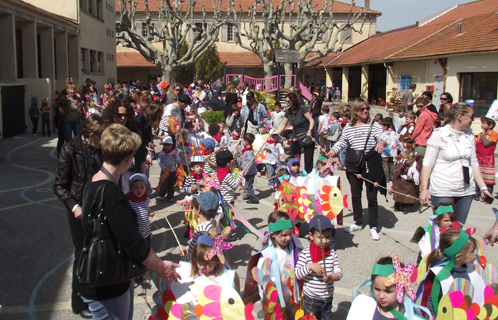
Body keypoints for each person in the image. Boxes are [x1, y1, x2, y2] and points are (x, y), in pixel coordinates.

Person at [79, 124, 180, 319]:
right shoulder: (111, 194)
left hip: (101, 275)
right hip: (108, 281)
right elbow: (133, 243)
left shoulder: (94, 182)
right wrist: (161, 267)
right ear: (127, 158)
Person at [54, 114, 105, 318]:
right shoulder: (69, 150)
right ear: (91, 135)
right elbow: (59, 186)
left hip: (96, 207)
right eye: (101, 137)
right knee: (82, 254)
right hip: (78, 210)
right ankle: (79, 301)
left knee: (98, 252)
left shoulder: (98, 149)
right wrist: (74, 206)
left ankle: (95, 293)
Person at [419, 103, 492, 224]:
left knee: (457, 232)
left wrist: (483, 187)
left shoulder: (469, 135)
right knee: (445, 232)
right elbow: (427, 164)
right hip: (443, 190)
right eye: (471, 116)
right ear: (460, 116)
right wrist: (424, 188)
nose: (473, 120)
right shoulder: (439, 135)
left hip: (466, 191)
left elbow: (474, 163)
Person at [328, 98, 387, 241]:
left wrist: (381, 143)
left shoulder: (374, 125)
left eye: (367, 109)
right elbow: (342, 141)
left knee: (372, 196)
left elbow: (383, 138)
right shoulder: (349, 127)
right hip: (355, 164)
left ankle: (373, 226)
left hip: (370, 163)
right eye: (362, 109)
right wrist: (333, 151)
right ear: (355, 111)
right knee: (355, 195)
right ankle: (358, 222)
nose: (365, 111)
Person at [421, 229, 483, 316]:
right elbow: (433, 304)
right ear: (458, 257)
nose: (476, 253)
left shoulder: (472, 269)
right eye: (472, 251)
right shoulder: (442, 277)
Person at [346, 255, 427, 320]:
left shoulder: (409, 317)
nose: (381, 296)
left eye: (388, 291)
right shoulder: (363, 308)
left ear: (402, 290)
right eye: (377, 289)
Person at [295, 215, 342, 320]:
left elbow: (339, 273)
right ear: (311, 236)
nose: (325, 241)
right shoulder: (306, 254)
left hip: (327, 298)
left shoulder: (332, 253)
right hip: (311, 300)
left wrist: (332, 277)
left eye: (328, 237)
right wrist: (309, 266)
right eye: (320, 237)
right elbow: (297, 274)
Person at [256, 211, 301, 317]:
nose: (289, 238)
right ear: (273, 234)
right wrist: (279, 281)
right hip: (275, 299)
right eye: (284, 235)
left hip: (290, 295)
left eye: (290, 234)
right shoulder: (266, 254)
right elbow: (262, 279)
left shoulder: (293, 248)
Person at [277, 93, 315, 173]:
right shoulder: (288, 111)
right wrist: (275, 134)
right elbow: (283, 125)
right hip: (296, 137)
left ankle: (308, 176)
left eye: (288, 101)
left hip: (307, 135)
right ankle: (295, 175)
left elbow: (311, 120)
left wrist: (310, 130)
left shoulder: (302, 108)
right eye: (286, 101)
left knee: (308, 160)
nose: (286, 103)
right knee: (294, 159)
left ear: (293, 101)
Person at [127, 173, 155, 285]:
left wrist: (149, 211)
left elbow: (146, 208)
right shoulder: (129, 201)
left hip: (146, 232)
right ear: (131, 188)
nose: (139, 190)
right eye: (136, 188)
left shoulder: (145, 198)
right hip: (135, 234)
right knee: (134, 255)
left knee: (145, 254)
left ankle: (142, 273)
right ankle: (133, 274)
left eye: (142, 187)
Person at [388, 139, 423, 213]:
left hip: (409, 178)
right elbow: (398, 159)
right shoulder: (402, 153)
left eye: (406, 147)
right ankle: (397, 204)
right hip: (401, 176)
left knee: (408, 191)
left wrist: (410, 160)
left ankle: (406, 205)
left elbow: (418, 165)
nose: (404, 149)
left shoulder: (416, 155)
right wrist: (400, 158)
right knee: (398, 189)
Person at [183, 192, 219, 261]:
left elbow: (198, 254)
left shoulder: (202, 230)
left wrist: (185, 258)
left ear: (198, 208)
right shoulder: (210, 225)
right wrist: (187, 250)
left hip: (194, 264)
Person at [475, 117, 497, 195]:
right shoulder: (480, 134)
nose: (481, 125)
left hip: (488, 159)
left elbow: (487, 143)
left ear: (490, 126)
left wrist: (483, 135)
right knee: (478, 176)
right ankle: (477, 193)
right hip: (479, 158)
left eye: (484, 123)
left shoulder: (494, 134)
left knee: (488, 178)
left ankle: (489, 193)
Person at [380, 118, 403, 182]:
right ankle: (392, 176)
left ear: (385, 126)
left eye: (381, 125)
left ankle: (386, 178)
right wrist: (401, 147)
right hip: (392, 152)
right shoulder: (393, 132)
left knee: (385, 165)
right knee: (391, 164)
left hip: (384, 152)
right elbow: (397, 141)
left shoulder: (382, 134)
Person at [157, 136, 177, 202]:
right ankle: (162, 195)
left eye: (168, 145)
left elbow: (178, 160)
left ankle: (170, 196)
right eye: (165, 145)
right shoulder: (161, 152)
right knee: (163, 184)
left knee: (171, 184)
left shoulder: (174, 151)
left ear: (171, 145)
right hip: (164, 171)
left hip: (172, 171)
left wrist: (176, 157)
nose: (166, 147)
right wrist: (165, 168)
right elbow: (159, 161)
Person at [242, 133, 259, 204]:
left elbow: (250, 163)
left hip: (250, 172)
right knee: (247, 184)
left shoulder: (249, 152)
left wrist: (245, 172)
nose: (242, 142)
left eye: (243, 140)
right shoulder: (246, 150)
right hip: (248, 171)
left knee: (248, 186)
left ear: (246, 142)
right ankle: (249, 195)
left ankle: (254, 198)